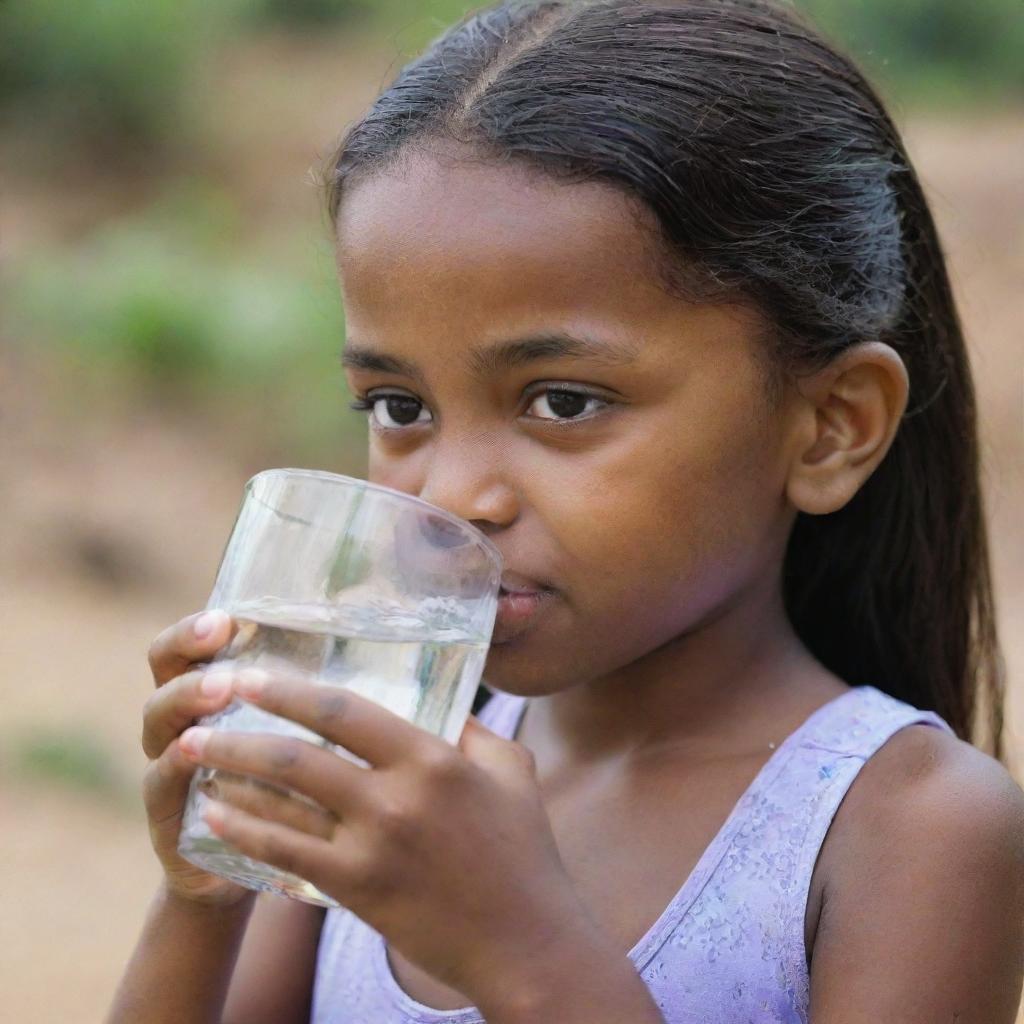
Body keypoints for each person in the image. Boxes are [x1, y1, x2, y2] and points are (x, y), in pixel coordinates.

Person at [108, 1, 1024, 1021]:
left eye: (563, 402)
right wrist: (203, 889)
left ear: (829, 427)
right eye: (398, 407)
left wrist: (523, 951)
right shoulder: (384, 771)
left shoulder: (908, 825)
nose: (453, 496)